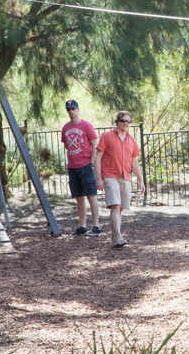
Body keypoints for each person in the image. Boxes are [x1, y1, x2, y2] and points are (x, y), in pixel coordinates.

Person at [94, 110, 145, 248]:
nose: (126, 123)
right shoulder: (107, 136)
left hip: (125, 177)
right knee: (115, 206)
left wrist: (141, 181)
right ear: (117, 122)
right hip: (110, 175)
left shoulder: (132, 140)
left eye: (128, 121)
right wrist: (98, 178)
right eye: (123, 121)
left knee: (120, 208)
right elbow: (97, 158)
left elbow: (134, 162)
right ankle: (118, 238)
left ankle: (115, 238)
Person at [61, 100, 100, 236]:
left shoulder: (86, 126)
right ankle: (82, 226)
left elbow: (95, 143)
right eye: (69, 109)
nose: (71, 111)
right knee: (79, 197)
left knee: (91, 195)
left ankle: (96, 226)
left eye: (73, 109)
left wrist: (92, 161)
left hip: (86, 165)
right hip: (72, 166)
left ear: (78, 109)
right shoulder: (65, 128)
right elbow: (66, 144)